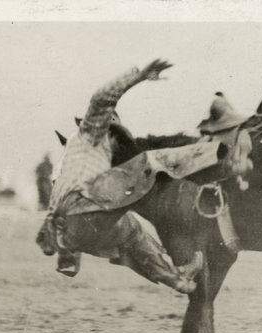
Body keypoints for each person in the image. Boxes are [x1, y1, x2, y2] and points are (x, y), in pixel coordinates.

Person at [46, 59, 203, 294]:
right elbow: (102, 97)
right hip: (84, 214)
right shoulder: (91, 131)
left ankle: (178, 280)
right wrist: (138, 76)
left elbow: (56, 194)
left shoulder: (70, 156)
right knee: (139, 185)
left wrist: (62, 244)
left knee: (132, 232)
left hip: (72, 230)